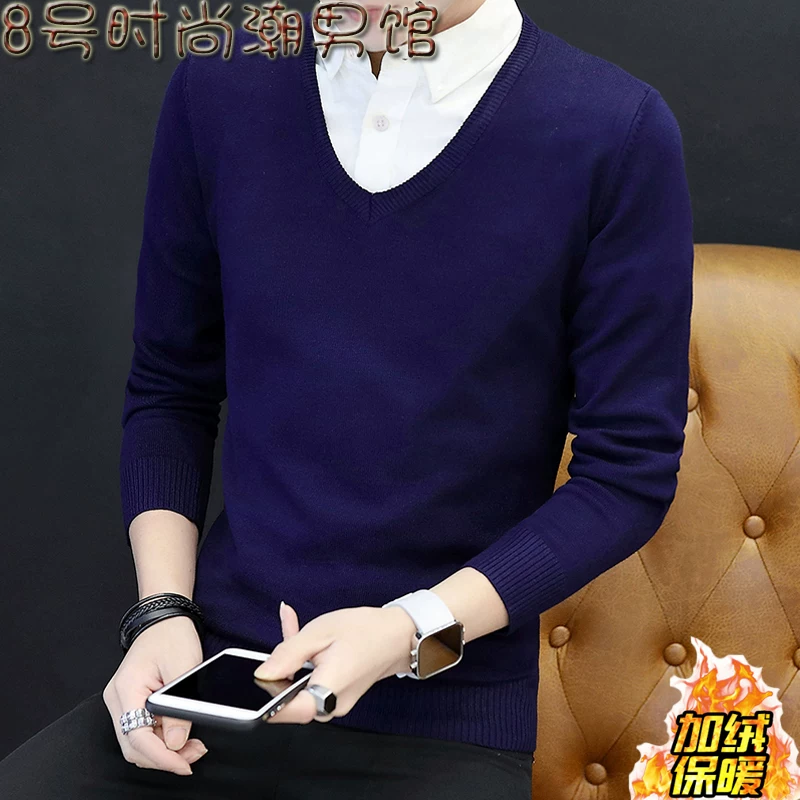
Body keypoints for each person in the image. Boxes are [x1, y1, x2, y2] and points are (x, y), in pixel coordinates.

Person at [0, 0, 694, 795]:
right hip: (215, 685)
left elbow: (626, 476)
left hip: (441, 721)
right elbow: (169, 387)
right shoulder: (223, 84)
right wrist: (160, 613)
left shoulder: (613, 130)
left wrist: (406, 630)